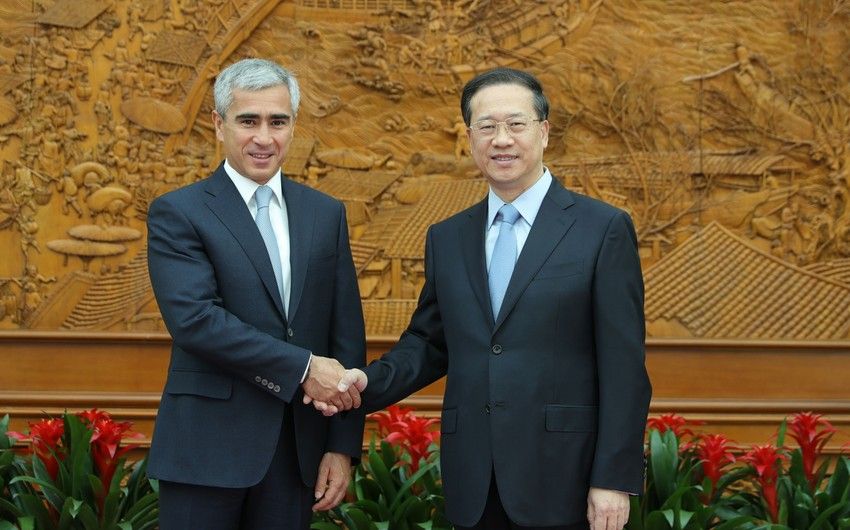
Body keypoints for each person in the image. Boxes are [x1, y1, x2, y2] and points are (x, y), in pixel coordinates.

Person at [322, 67, 652, 529]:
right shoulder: (448, 237)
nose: (502, 140)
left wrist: (613, 479)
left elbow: (624, 366)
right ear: (469, 138)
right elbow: (430, 343)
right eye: (487, 126)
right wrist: (362, 384)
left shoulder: (602, 229)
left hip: (566, 477)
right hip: (475, 480)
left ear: (543, 132)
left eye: (516, 124)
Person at [146, 58, 366, 530]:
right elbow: (196, 321)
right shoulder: (179, 212)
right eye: (248, 121)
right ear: (218, 125)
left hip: (297, 453)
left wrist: (341, 445)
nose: (264, 137)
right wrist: (304, 368)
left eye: (277, 121)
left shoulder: (325, 213)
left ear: (293, 126)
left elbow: (345, 332)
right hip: (205, 451)